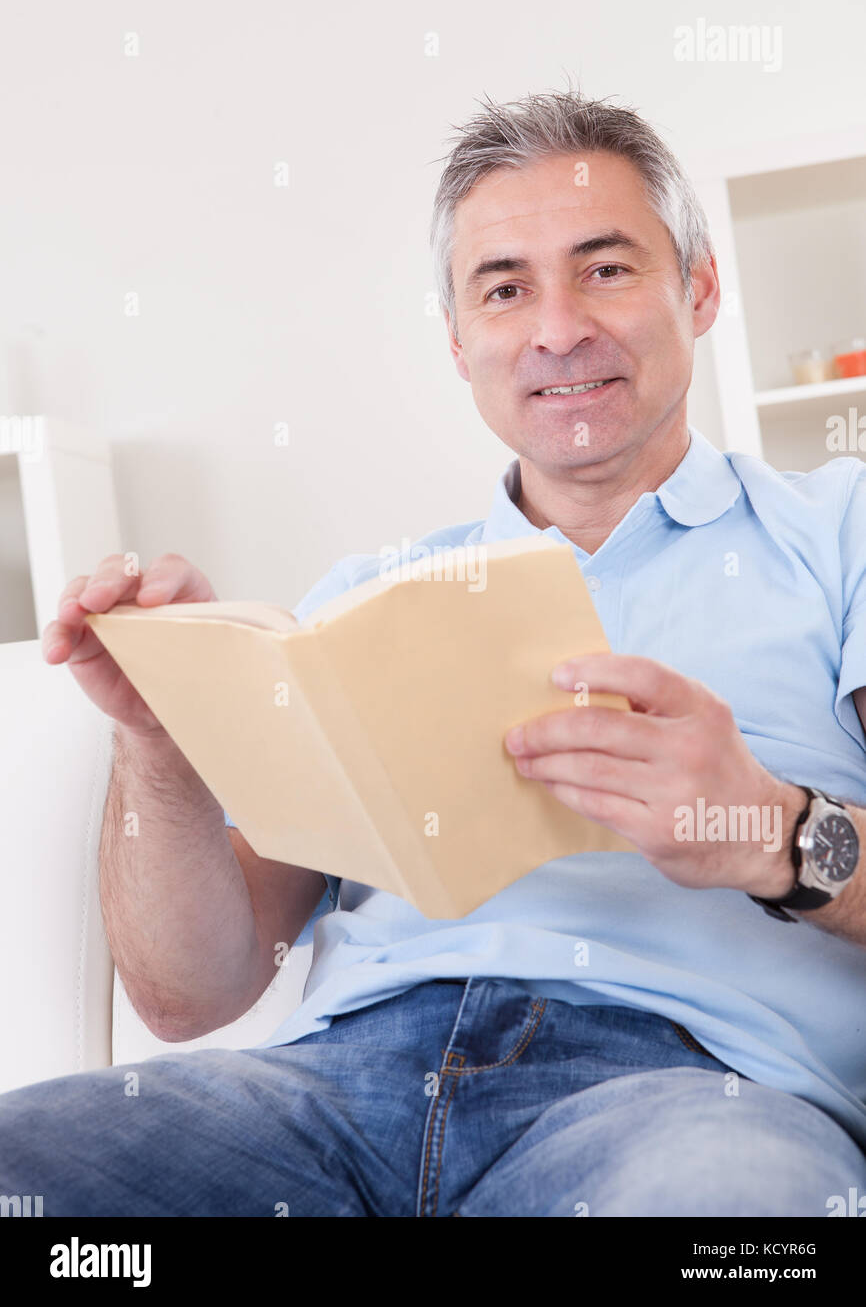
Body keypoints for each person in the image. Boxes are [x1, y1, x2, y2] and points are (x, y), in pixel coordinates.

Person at [3, 87, 866, 1218]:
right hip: (326, 1100)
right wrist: (159, 740)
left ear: (696, 289)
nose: (556, 328)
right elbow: (186, 996)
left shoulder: (837, 530)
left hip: (684, 1092)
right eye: (504, 289)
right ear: (460, 342)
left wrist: (774, 830)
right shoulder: (362, 601)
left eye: (603, 268)